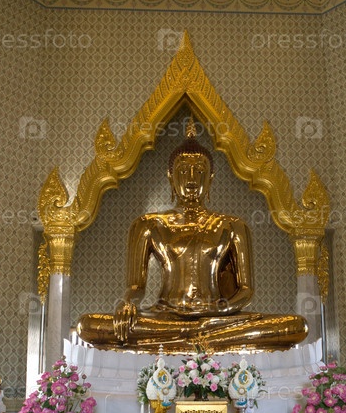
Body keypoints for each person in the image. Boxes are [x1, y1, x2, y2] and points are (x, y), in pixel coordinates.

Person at [77, 122, 307, 353]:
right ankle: (201, 339)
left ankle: (192, 337)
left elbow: (246, 290)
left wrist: (219, 311)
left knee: (295, 326)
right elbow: (136, 286)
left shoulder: (233, 225)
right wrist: (127, 303)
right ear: (170, 176)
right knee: (88, 325)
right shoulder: (148, 224)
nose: (191, 178)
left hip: (217, 317)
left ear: (211, 178)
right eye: (183, 170)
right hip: (164, 317)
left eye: (199, 171)